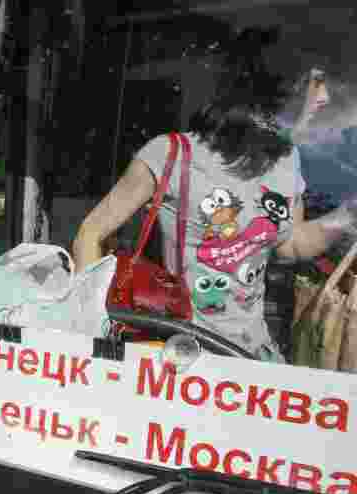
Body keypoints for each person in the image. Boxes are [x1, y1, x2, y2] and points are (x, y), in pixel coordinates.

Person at [73, 86, 356, 362]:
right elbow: (91, 233)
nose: (325, 96)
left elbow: (291, 244)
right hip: (181, 351)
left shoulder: (286, 160)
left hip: (253, 353)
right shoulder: (173, 152)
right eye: (314, 82)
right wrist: (95, 336)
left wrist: (347, 214)